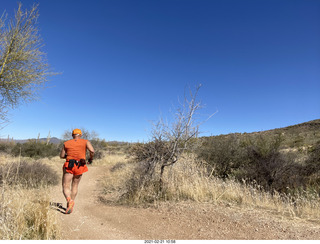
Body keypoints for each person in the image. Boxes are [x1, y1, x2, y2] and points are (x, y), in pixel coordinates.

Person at [60, 128, 94, 214]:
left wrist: (68, 156)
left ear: (72, 135)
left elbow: (62, 155)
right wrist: (90, 159)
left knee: (65, 185)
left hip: (69, 165)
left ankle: (69, 200)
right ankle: (72, 201)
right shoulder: (85, 141)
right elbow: (92, 151)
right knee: (75, 185)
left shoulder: (66, 143)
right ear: (81, 135)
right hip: (80, 165)